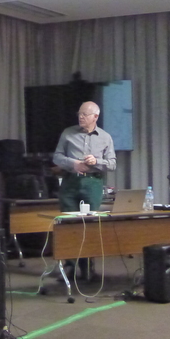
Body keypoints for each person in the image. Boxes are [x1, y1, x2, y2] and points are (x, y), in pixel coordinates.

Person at [53, 101, 116, 280]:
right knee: (68, 224)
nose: (81, 117)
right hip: (70, 182)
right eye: (79, 114)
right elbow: (56, 157)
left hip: (93, 183)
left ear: (95, 117)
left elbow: (112, 164)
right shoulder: (68, 133)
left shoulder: (105, 137)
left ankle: (88, 266)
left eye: (85, 114)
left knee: (89, 225)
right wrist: (73, 164)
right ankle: (69, 266)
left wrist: (97, 161)